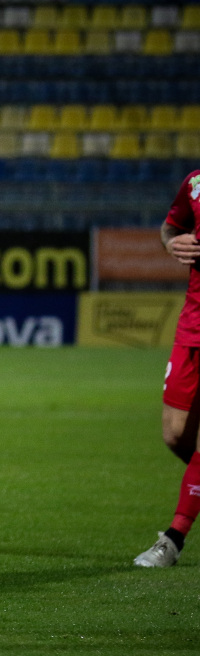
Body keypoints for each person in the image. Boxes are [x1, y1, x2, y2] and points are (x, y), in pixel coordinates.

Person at [134, 170, 200, 567]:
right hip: (193, 324)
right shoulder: (195, 183)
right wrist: (173, 242)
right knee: (176, 436)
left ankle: (172, 540)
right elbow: (170, 226)